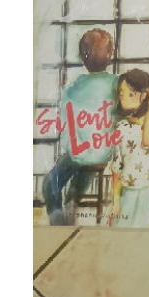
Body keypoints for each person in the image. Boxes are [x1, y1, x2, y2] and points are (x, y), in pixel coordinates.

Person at [42, 29, 119, 226]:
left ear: (82, 56)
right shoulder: (116, 84)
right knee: (86, 166)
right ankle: (73, 199)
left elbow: (65, 125)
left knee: (50, 183)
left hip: (78, 152)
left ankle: (59, 223)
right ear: (110, 54)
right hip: (103, 151)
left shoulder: (73, 87)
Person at [109, 69, 149, 228]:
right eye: (121, 94)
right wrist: (116, 201)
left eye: (130, 94)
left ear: (143, 95)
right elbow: (116, 168)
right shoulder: (121, 127)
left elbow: (147, 140)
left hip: (147, 192)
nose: (124, 98)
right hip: (127, 191)